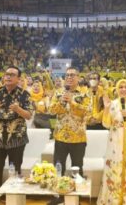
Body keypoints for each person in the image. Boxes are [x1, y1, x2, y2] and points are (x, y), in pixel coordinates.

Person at [0, 66, 32, 205]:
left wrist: (18, 109)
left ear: (18, 79)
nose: (8, 77)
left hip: (17, 138)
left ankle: (13, 198)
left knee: (15, 170)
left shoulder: (25, 94)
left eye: (12, 74)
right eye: (6, 74)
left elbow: (29, 115)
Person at [48, 67, 90, 205]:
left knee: (77, 168)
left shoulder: (85, 94)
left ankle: (75, 197)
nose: (69, 77)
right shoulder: (59, 93)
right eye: (67, 75)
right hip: (60, 137)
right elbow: (52, 110)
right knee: (58, 167)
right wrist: (62, 102)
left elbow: (86, 112)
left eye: (73, 75)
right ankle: (57, 196)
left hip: (78, 138)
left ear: (78, 77)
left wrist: (72, 102)